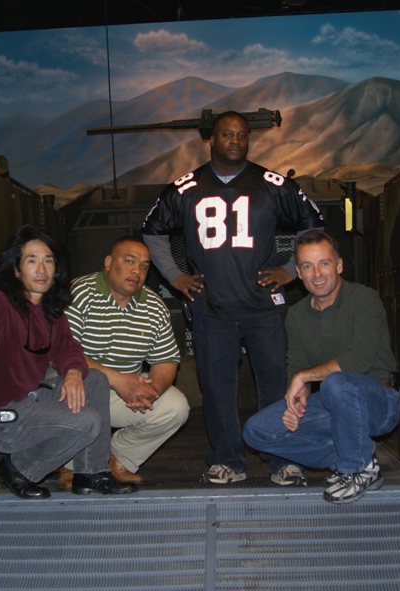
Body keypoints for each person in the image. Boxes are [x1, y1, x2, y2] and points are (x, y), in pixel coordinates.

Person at [141, 110, 325, 485]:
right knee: (217, 386)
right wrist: (175, 276)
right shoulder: (186, 187)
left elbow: (314, 222)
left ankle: (282, 458)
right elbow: (152, 231)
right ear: (212, 139)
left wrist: (289, 270)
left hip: (263, 304)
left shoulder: (270, 183)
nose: (236, 141)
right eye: (227, 134)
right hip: (212, 306)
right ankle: (228, 459)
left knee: (275, 382)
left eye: (242, 135)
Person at [0, 225, 135, 499]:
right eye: (32, 260)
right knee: (88, 421)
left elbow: (67, 347)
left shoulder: (50, 308)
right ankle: (19, 469)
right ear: (16, 269)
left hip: (31, 401)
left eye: (48, 260)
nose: (42, 269)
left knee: (95, 379)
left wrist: (74, 372)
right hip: (0, 416)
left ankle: (91, 473)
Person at [242, 230, 400, 504]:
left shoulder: (364, 300)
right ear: (299, 274)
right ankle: (359, 460)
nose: (317, 274)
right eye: (307, 266)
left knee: (336, 383)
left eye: (324, 263)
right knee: (256, 431)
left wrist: (304, 377)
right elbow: (299, 365)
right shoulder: (296, 316)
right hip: (334, 405)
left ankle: (354, 470)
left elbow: (360, 359)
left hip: (380, 402)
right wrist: (298, 399)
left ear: (339, 266)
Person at [58, 236, 189, 486]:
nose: (136, 271)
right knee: (69, 387)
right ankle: (72, 463)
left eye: (144, 266)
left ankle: (116, 458)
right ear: (108, 262)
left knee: (175, 407)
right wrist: (119, 381)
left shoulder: (154, 306)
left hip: (122, 395)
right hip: (76, 386)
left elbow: (166, 360)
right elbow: (64, 352)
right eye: (129, 261)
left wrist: (152, 390)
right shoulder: (77, 293)